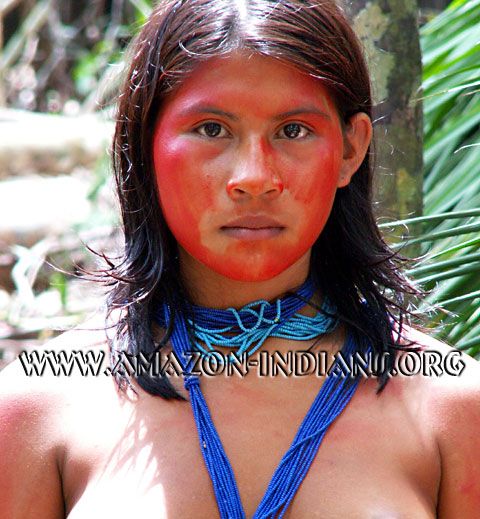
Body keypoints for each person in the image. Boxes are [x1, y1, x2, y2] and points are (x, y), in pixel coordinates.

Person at [1, 0, 480, 517]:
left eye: (293, 130)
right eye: (211, 129)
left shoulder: (451, 409)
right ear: (145, 144)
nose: (253, 177)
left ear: (349, 149)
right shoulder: (39, 405)